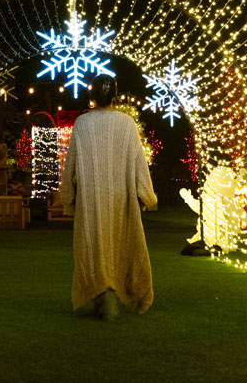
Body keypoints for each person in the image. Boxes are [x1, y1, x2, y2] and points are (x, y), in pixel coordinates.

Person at [59, 74, 158, 320]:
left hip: (91, 199)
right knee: (119, 244)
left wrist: (69, 199)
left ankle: (104, 296)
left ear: (93, 95)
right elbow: (139, 164)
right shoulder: (126, 123)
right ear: (114, 94)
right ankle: (111, 296)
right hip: (121, 198)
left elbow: (70, 165)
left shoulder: (82, 124)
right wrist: (147, 196)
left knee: (95, 245)